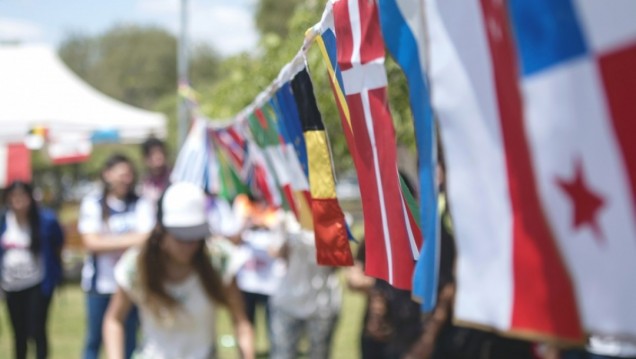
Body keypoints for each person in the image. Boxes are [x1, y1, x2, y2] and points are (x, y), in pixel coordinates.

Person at [102, 181, 254, 359]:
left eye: (196, 236)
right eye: (181, 237)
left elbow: (241, 322)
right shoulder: (137, 266)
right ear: (160, 232)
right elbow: (114, 320)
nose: (190, 245)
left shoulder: (218, 260)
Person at [78, 154, 155, 359]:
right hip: (100, 286)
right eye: (121, 174)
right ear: (107, 175)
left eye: (129, 174)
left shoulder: (140, 203)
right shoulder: (93, 203)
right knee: (94, 340)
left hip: (131, 284)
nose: (125, 179)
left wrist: (108, 241)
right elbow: (91, 242)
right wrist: (133, 239)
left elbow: (149, 239)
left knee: (130, 340)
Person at [0, 181, 65, 359]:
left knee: (37, 330)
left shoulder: (45, 221)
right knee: (18, 333)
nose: (18, 201)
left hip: (37, 284)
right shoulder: (3, 221)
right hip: (11, 286)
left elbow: (58, 244)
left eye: (22, 196)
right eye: (14, 197)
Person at [269, 213, 341, 359]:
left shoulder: (335, 218)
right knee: (282, 354)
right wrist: (287, 239)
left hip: (322, 305)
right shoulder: (286, 218)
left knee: (319, 354)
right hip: (288, 301)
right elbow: (275, 252)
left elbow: (338, 264)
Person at [232, 192, 286, 343]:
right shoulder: (242, 202)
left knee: (274, 325)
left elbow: (280, 245)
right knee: (246, 323)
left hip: (271, 281)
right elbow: (234, 238)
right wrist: (246, 224)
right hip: (246, 281)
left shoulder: (276, 205)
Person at [139, 137, 171, 206]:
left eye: (161, 153)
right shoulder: (143, 184)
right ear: (146, 159)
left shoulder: (173, 178)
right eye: (153, 154)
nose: (158, 157)